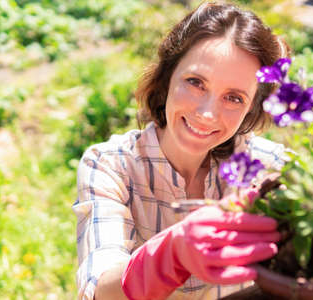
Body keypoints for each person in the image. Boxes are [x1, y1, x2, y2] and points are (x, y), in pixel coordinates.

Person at [73, 2, 290, 300]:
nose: (207, 114)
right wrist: (168, 256)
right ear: (167, 76)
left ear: (252, 107)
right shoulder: (110, 165)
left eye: (234, 98)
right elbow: (99, 290)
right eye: (196, 82)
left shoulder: (268, 166)